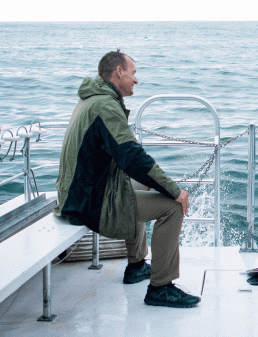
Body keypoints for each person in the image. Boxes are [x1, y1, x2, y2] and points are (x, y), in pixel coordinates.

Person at [54, 50, 200, 308]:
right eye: (133, 73)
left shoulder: (93, 98)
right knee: (172, 206)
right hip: (87, 203)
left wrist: (159, 182)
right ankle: (160, 287)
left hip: (79, 193)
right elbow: (131, 156)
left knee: (141, 183)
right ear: (119, 72)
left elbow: (126, 160)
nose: (136, 80)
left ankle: (136, 266)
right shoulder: (105, 105)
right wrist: (175, 190)